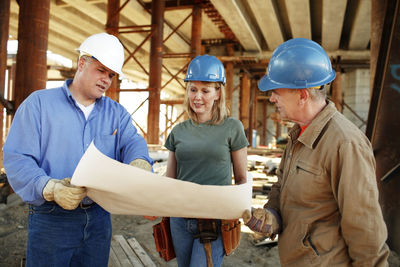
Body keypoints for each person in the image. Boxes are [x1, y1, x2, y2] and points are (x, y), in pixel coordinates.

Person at [3, 32, 153, 267]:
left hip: (99, 218)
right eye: (101, 70)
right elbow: (18, 158)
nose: (106, 79)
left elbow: (131, 142)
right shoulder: (39, 105)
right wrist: (50, 188)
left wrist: (140, 161)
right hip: (51, 219)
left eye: (111, 74)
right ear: (81, 63)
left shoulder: (116, 113)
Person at [243, 38, 390, 266]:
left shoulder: (345, 143)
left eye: (277, 92)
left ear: (302, 95)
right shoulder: (298, 133)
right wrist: (272, 214)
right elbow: (282, 185)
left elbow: (365, 230)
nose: (271, 98)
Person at [164, 55, 249, 267]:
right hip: (180, 218)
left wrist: (240, 212)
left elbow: (241, 178)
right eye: (193, 89)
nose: (197, 97)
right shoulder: (178, 131)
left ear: (218, 93)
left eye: (205, 90)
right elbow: (169, 179)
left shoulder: (232, 128)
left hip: (214, 218)